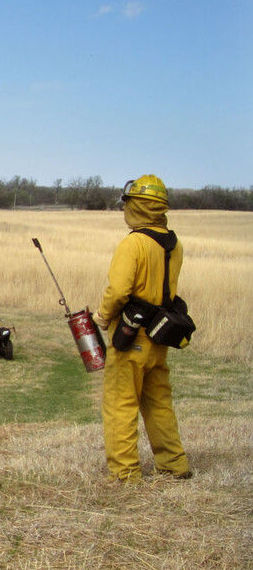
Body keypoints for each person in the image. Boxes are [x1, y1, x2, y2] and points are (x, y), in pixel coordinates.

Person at [93, 174, 191, 483]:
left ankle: (125, 474)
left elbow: (119, 290)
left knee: (121, 404)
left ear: (136, 206)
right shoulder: (174, 245)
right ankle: (174, 464)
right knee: (159, 402)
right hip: (160, 337)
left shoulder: (134, 242)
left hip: (131, 338)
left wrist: (102, 317)